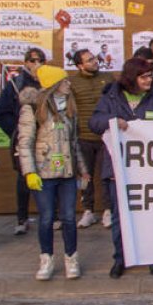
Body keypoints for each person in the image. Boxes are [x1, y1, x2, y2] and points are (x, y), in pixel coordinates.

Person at [90, 57, 153, 279]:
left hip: (151, 170)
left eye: (151, 76)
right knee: (120, 217)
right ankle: (121, 258)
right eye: (144, 76)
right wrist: (112, 120)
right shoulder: (111, 98)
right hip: (119, 170)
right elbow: (94, 122)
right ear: (132, 77)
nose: (149, 80)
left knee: (152, 216)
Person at [16, 65, 90, 280]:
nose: (69, 84)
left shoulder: (70, 108)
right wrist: (29, 171)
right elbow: (25, 143)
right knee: (47, 218)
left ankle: (71, 257)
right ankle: (46, 257)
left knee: (68, 217)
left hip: (66, 173)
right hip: (44, 172)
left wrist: (83, 170)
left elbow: (74, 142)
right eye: (64, 81)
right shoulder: (32, 109)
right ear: (54, 85)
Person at [0, 46, 44, 235]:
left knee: (50, 174)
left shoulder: (48, 83)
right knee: (24, 176)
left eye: (40, 60)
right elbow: (0, 113)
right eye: (32, 60)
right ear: (25, 63)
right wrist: (16, 131)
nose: (36, 64)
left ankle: (51, 215)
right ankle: (22, 217)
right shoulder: (16, 83)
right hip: (24, 138)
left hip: (46, 137)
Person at [68, 49, 113, 230]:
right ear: (80, 65)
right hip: (83, 136)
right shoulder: (72, 83)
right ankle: (88, 210)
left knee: (107, 175)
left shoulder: (108, 78)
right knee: (85, 176)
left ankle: (108, 210)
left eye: (94, 58)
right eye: (89, 60)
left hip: (105, 136)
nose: (94, 62)